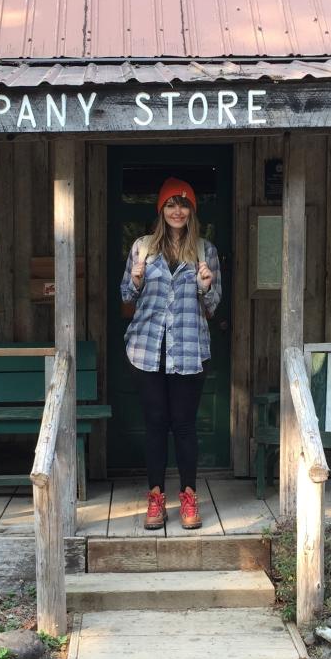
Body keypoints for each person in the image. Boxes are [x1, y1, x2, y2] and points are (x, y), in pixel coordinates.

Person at [120, 176, 222, 530]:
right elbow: (126, 297)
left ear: (191, 211)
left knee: (184, 426)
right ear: (161, 210)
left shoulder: (205, 251)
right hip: (147, 350)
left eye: (183, 204)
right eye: (170, 204)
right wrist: (134, 280)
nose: (177, 211)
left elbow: (212, 306)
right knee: (155, 426)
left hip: (190, 350)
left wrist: (206, 287)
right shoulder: (142, 248)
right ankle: (156, 497)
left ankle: (189, 496)